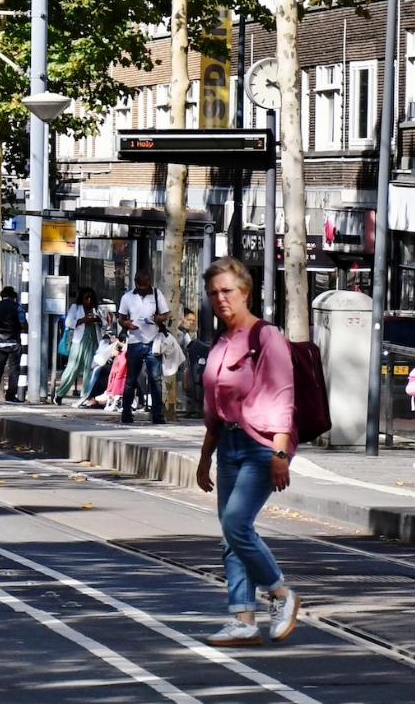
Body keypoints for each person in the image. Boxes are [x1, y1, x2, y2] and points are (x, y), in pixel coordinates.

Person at [195, 258, 299, 647]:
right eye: (213, 294)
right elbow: (213, 410)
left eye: (227, 291)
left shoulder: (266, 336)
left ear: (245, 292)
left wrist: (280, 454)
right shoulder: (221, 343)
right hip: (228, 444)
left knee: (236, 524)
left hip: (261, 445)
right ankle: (242, 620)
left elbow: (282, 397)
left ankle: (282, 595)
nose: (220, 299)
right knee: (230, 534)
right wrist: (205, 457)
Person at [116, 271, 170, 425]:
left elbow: (165, 314)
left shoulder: (156, 294)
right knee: (131, 379)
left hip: (153, 341)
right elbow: (121, 318)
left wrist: (156, 319)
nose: (142, 288)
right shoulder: (127, 297)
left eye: (145, 285)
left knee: (155, 379)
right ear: (135, 283)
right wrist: (126, 324)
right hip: (134, 342)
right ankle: (126, 412)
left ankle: (157, 413)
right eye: (140, 285)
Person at [54, 287, 102, 403]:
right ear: (82, 298)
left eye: (91, 298)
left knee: (90, 369)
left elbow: (103, 323)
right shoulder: (76, 308)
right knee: (72, 368)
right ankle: (59, 394)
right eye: (86, 298)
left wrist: (99, 320)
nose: (89, 300)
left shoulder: (96, 309)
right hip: (79, 341)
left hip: (92, 340)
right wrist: (83, 320)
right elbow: (68, 323)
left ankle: (86, 395)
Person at [0, 286, 26, 403]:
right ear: (13, 296)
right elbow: (23, 324)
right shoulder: (17, 308)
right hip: (13, 342)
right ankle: (10, 396)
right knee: (14, 369)